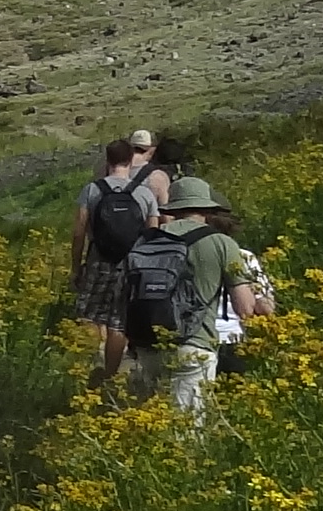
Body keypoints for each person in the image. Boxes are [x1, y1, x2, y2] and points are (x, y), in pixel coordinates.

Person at [132, 176, 274, 422]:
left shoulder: (147, 239)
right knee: (188, 428)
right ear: (207, 208)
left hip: (148, 342)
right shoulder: (221, 243)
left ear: (173, 208)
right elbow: (245, 308)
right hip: (194, 343)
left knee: (154, 420)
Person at [70, 130, 169, 383]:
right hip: (131, 263)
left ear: (108, 160)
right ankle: (110, 374)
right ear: (129, 159)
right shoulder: (144, 194)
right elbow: (153, 233)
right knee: (118, 321)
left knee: (90, 315)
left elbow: (79, 232)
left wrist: (76, 267)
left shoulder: (92, 190)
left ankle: (89, 366)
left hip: (98, 260)